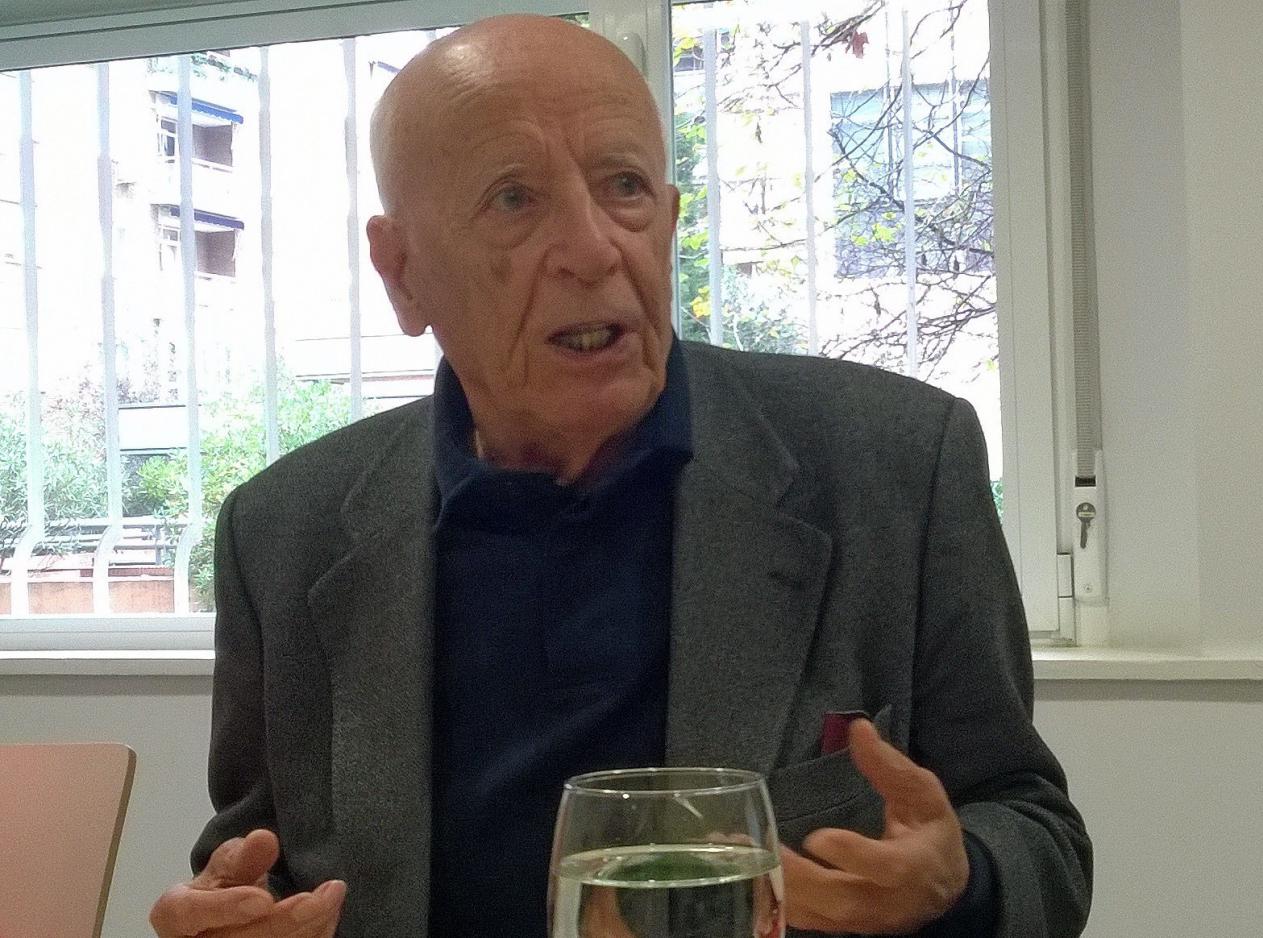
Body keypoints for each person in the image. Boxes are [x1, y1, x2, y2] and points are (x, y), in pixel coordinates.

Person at [150, 13, 1091, 938]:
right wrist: (227, 916)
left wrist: (958, 885)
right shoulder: (284, 534)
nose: (596, 248)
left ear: (669, 223)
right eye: (514, 200)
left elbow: (1035, 831)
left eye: (625, 187)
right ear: (402, 274)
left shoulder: (894, 465)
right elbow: (255, 866)